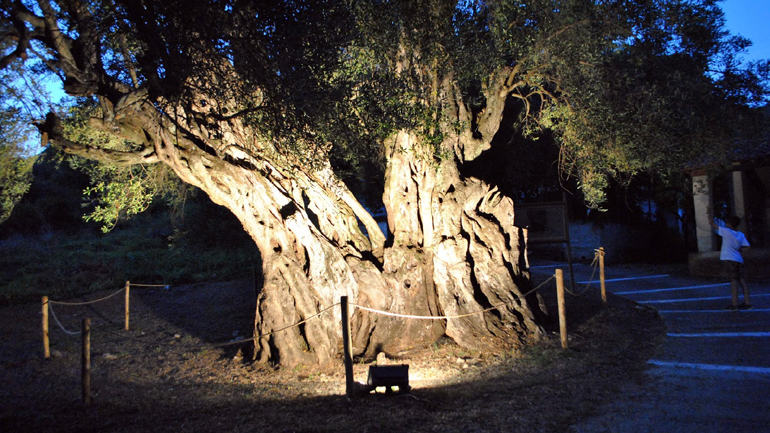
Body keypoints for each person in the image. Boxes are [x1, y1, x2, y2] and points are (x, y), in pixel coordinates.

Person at [710, 214, 751, 310]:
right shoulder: (740, 234)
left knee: (733, 281)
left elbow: (711, 223)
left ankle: (734, 304)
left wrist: (709, 213)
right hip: (738, 259)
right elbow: (748, 247)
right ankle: (747, 302)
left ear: (729, 223)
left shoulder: (726, 231)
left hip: (729, 259)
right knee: (742, 280)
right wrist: (739, 250)